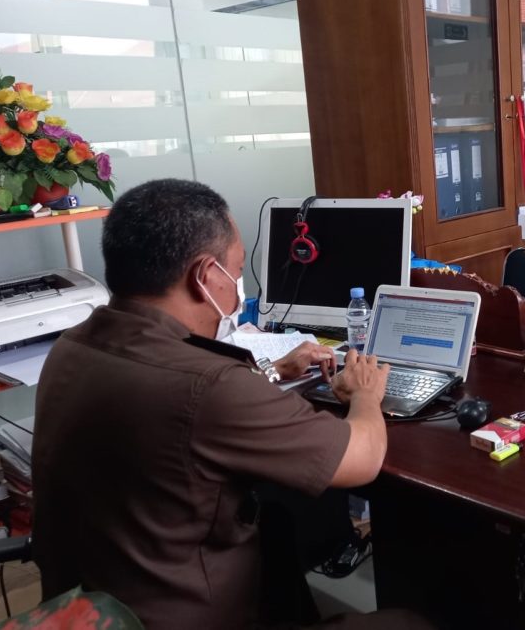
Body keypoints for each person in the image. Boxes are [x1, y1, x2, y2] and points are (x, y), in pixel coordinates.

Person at [32, 179, 430, 629]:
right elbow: (361, 459)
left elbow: (181, 416)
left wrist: (273, 372)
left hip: (85, 611)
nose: (238, 288)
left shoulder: (72, 347)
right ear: (205, 276)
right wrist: (365, 394)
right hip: (181, 617)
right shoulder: (210, 383)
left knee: (276, 523)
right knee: (409, 623)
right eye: (237, 271)